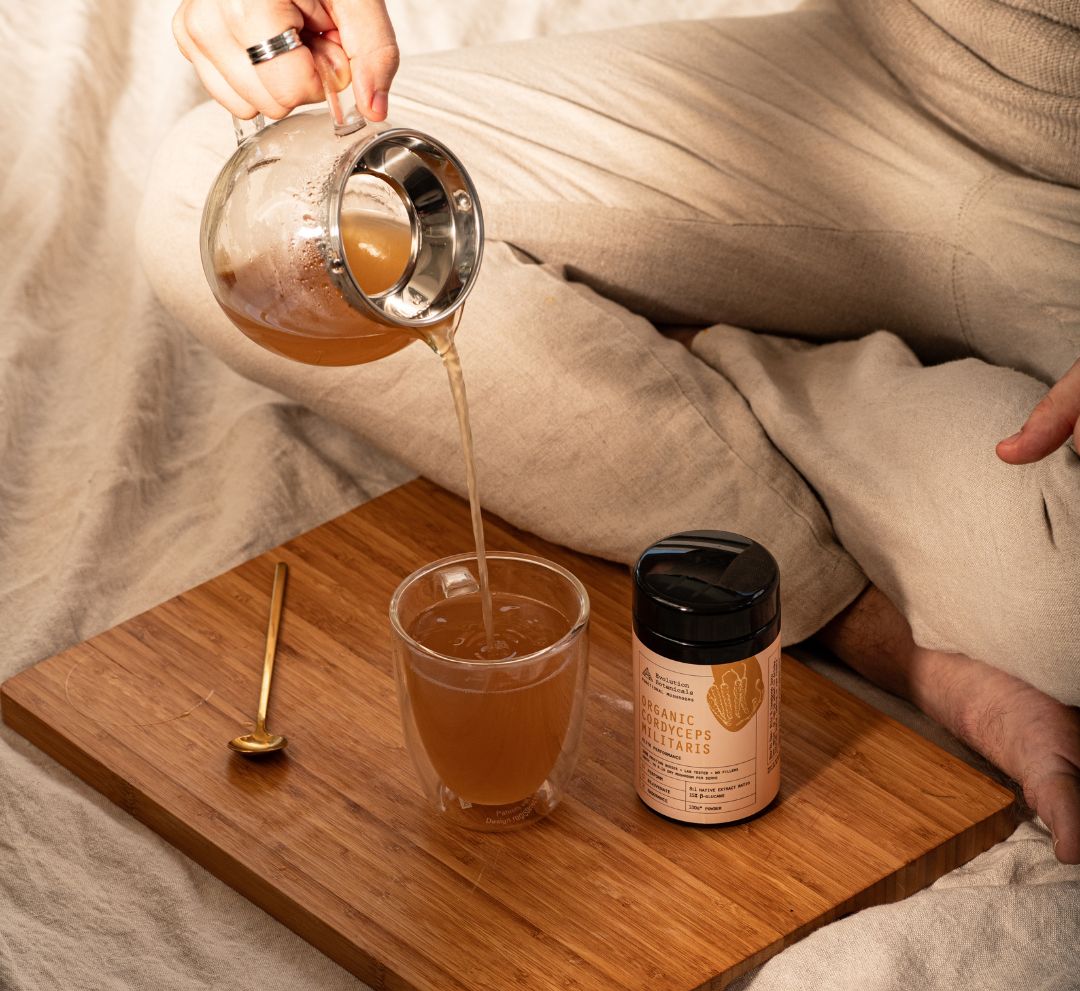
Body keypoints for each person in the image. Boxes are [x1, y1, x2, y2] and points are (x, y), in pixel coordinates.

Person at [151, 0, 1080, 861]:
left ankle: (698, 368)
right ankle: (845, 605)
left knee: (1062, 621)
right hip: (882, 93)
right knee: (218, 203)